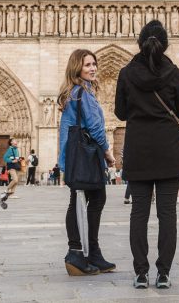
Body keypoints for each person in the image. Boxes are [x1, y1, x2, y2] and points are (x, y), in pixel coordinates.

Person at [114, 20, 179, 290]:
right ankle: (164, 273)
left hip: (139, 151)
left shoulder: (126, 73)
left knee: (139, 213)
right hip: (169, 151)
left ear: (140, 43)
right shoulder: (173, 72)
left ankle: (140, 273)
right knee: (167, 214)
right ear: (165, 44)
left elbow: (121, 113)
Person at [58, 48, 115, 276]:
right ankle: (81, 252)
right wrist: (107, 152)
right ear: (76, 68)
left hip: (74, 156)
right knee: (96, 198)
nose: (92, 68)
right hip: (86, 156)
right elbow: (95, 128)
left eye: (94, 64)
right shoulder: (83, 94)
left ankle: (86, 253)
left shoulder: (73, 93)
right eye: (87, 65)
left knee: (79, 200)